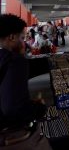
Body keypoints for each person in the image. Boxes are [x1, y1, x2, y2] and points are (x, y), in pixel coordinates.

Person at [0, 14, 50, 149]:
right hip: (15, 137)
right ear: (12, 37)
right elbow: (13, 108)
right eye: (22, 38)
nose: (24, 43)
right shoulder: (14, 60)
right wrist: (39, 108)